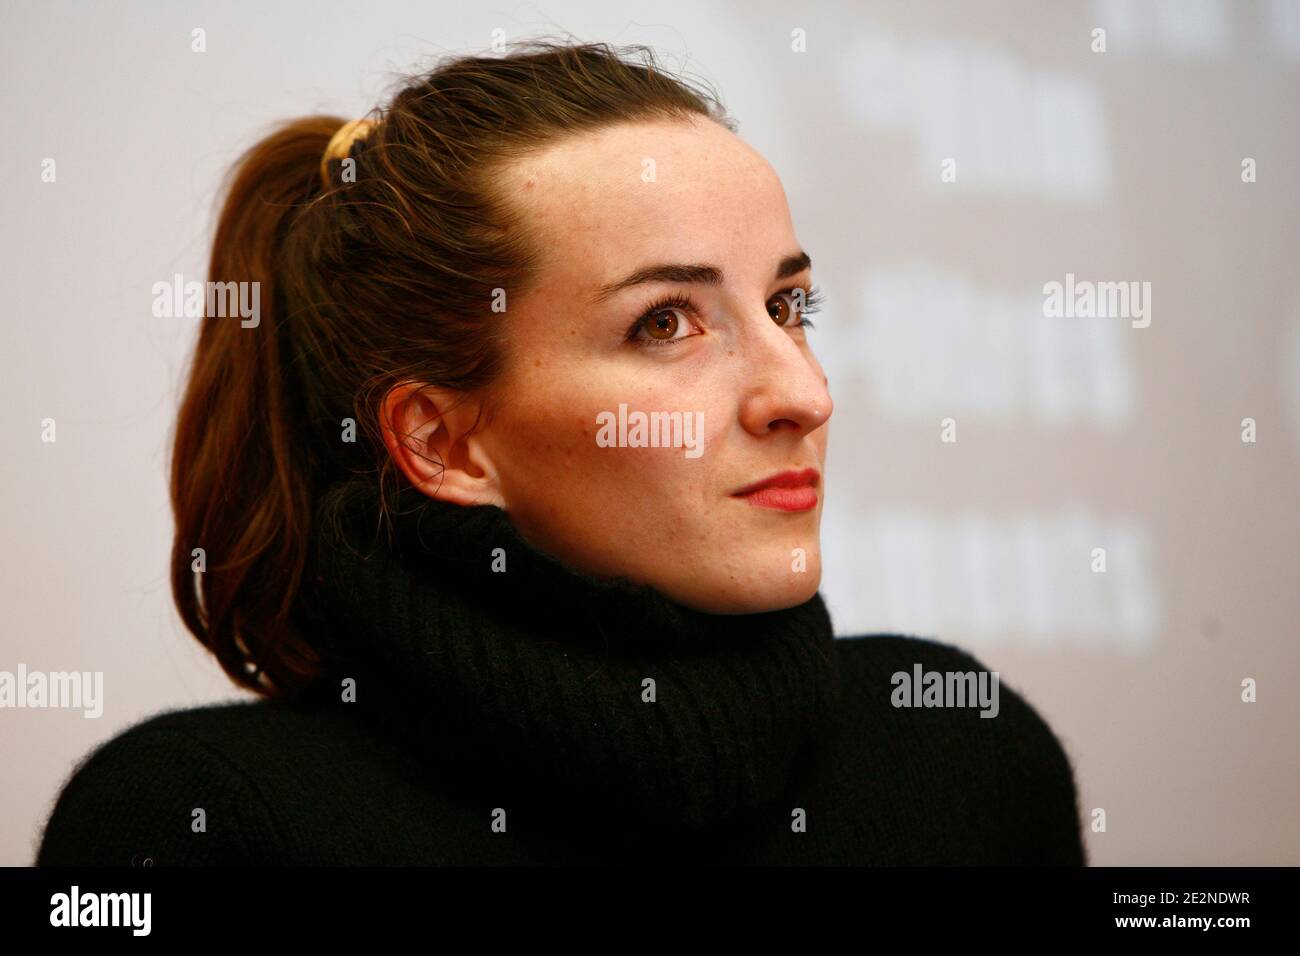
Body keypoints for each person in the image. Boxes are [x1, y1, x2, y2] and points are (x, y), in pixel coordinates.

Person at [36, 39, 1086, 865]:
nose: (803, 394)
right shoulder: (197, 820)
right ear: (441, 442)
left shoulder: (959, 749)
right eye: (665, 322)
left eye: (787, 304)